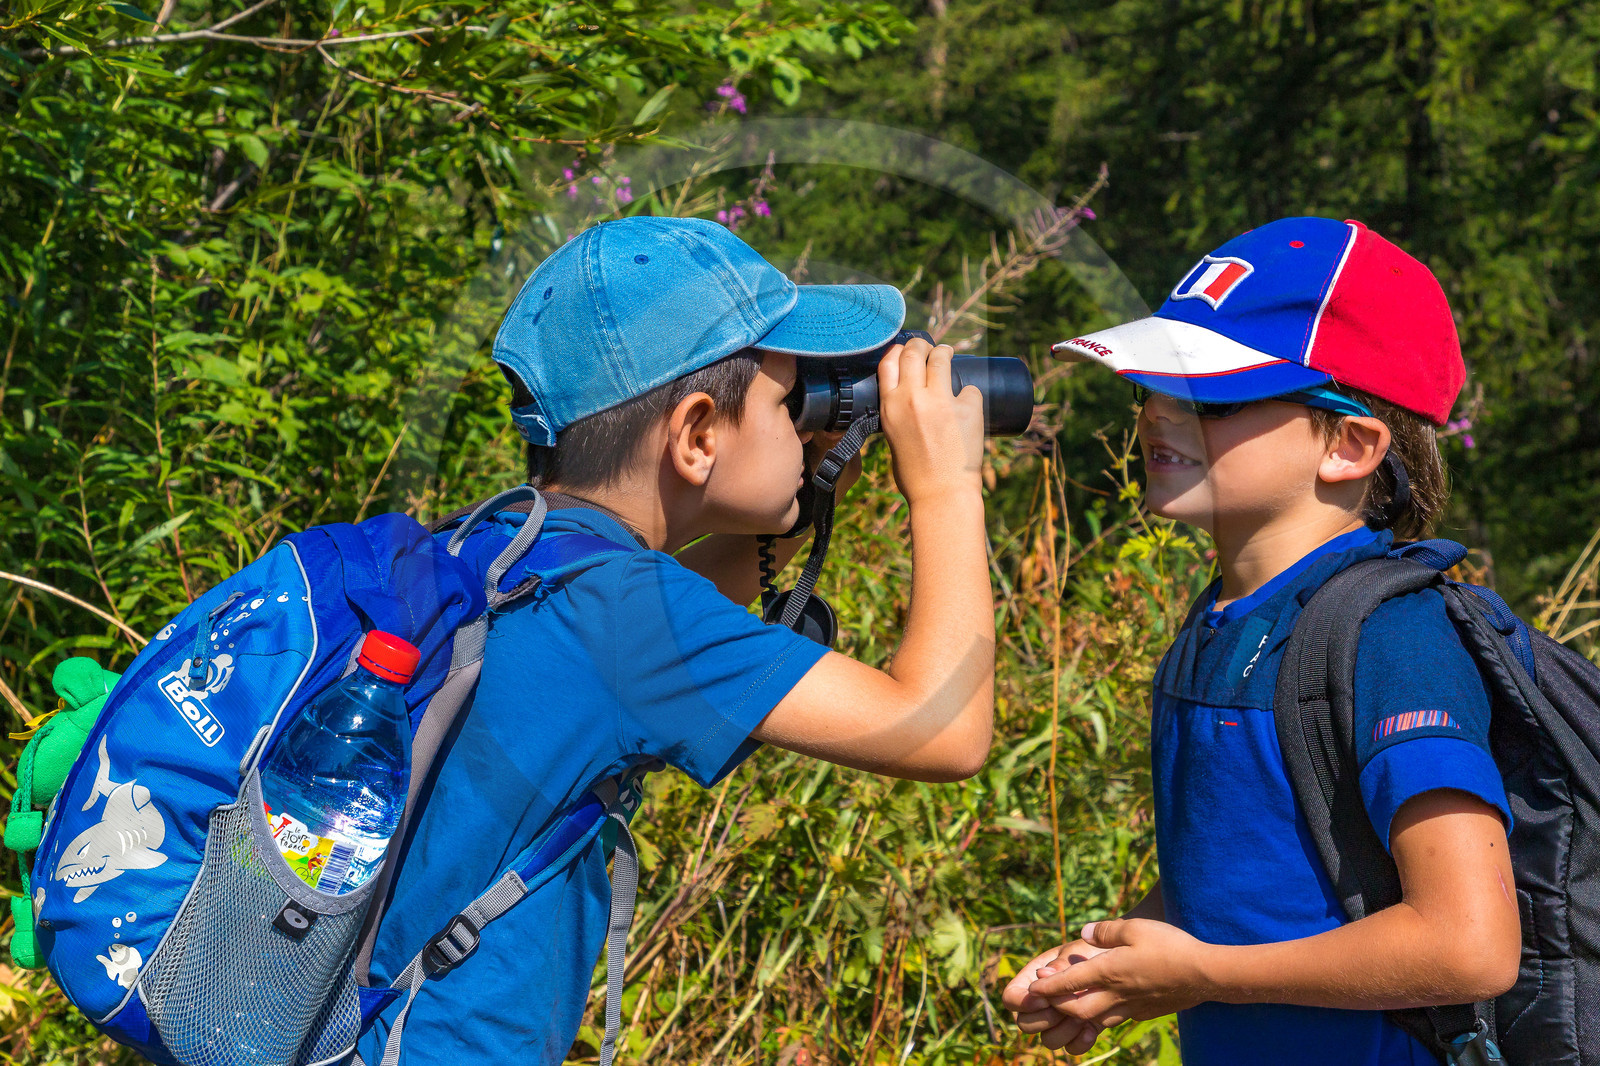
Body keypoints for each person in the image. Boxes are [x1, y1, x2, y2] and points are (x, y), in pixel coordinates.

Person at [357, 215, 996, 1065]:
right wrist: (947, 487)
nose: (804, 422)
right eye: (789, 400)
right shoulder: (632, 616)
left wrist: (811, 479)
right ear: (697, 436)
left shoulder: (506, 549)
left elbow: (654, 634)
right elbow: (944, 730)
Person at [1001, 217, 1520, 1065]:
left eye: (1211, 397)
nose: (1158, 414)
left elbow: (1469, 945)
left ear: (1350, 445)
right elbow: (1262, 875)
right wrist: (1118, 962)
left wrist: (1203, 973)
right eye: (1150, 389)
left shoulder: (1394, 638)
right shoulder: (1222, 619)